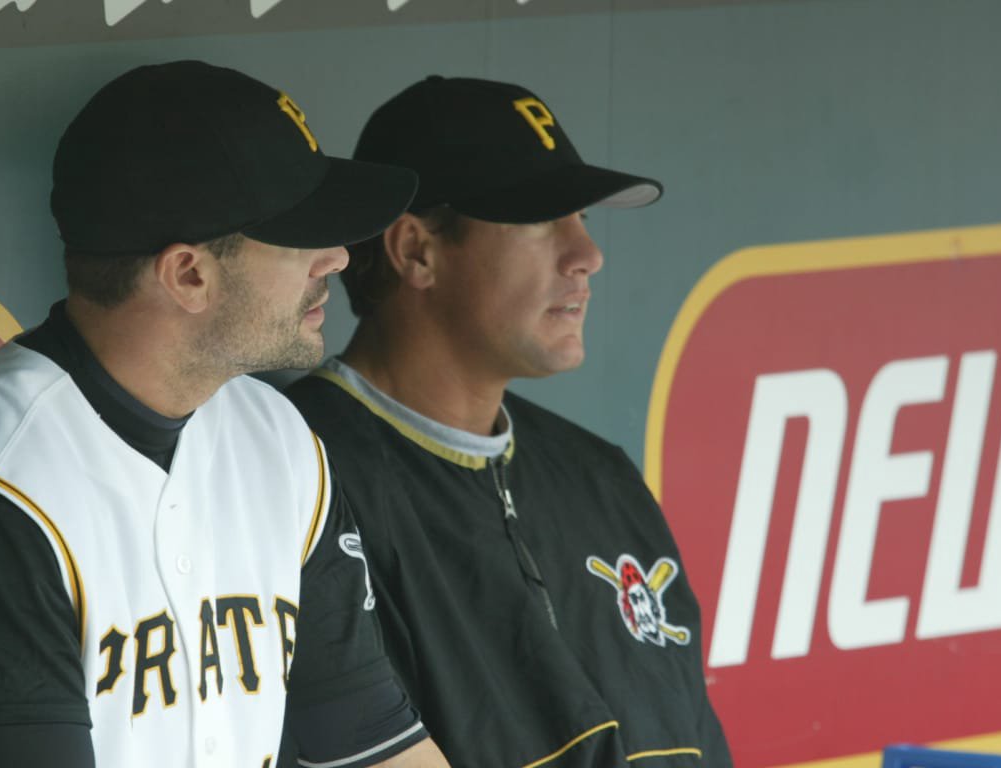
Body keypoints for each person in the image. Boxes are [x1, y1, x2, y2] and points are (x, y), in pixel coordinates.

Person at [0, 60, 450, 768]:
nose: (338, 258)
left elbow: (375, 745)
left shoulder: (276, 442)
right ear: (188, 273)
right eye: (301, 236)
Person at [285, 76, 734, 767]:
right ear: (416, 251)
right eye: (539, 219)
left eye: (582, 218)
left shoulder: (598, 477)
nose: (587, 255)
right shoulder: (296, 474)